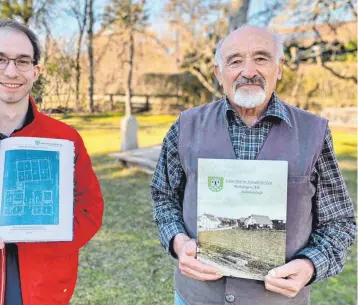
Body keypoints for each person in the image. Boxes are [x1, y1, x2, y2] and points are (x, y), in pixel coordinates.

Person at [151, 25, 356, 305]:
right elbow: (163, 197)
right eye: (235, 61)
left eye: (261, 58)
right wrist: (177, 241)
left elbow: (339, 222)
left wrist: (310, 265)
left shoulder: (314, 133)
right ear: (218, 73)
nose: (248, 71)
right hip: (194, 298)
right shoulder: (185, 126)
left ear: (279, 67)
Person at [0, 20, 104, 305]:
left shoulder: (64, 138)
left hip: (45, 290)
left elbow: (91, 209)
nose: (11, 71)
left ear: (36, 71)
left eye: (23, 61)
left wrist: (48, 233)